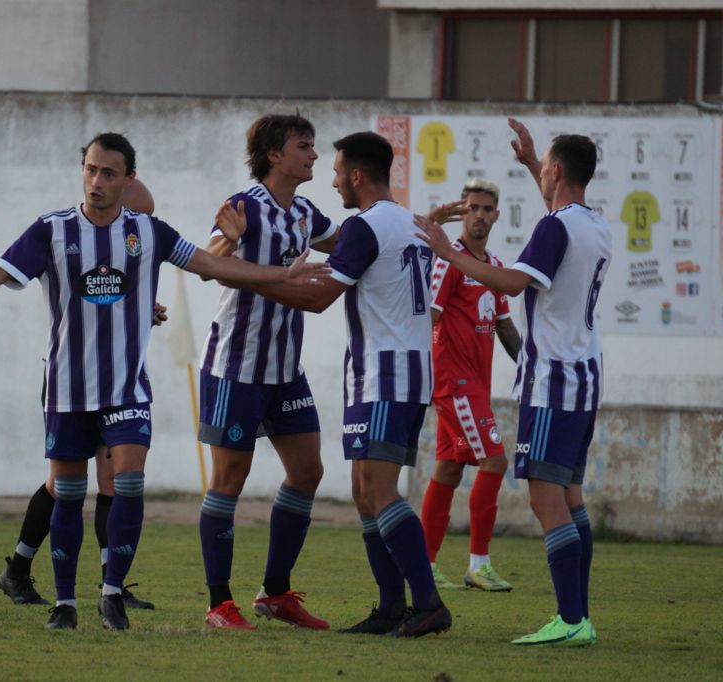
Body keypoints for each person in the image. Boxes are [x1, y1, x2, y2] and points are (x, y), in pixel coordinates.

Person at [0, 132, 328, 632]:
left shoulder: (149, 232)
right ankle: (63, 602)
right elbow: (2, 267)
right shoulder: (52, 230)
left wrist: (282, 277)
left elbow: (210, 264)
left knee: (126, 481)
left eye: (108, 173)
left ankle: (113, 593)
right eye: (90, 170)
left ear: (127, 180)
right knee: (69, 491)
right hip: (69, 387)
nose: (96, 181)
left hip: (127, 389)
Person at [231, 131, 452, 638]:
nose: (331, 181)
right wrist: (297, 273)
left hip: (385, 372)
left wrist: (246, 276)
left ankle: (428, 603)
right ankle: (391, 607)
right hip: (399, 370)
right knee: (363, 492)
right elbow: (351, 277)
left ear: (356, 175)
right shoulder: (409, 224)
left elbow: (319, 299)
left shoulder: (365, 226)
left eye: (335, 172)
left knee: (378, 490)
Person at [415, 118, 610, 647]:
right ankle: (580, 616)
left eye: (543, 165)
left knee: (546, 499)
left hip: (552, 381)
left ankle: (571, 619)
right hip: (586, 375)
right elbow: (557, 219)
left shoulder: (554, 228)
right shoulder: (593, 224)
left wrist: (449, 251)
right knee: (570, 497)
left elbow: (516, 280)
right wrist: (530, 163)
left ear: (556, 171)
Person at [195, 113, 339, 631]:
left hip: (284, 369)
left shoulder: (303, 211)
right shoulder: (245, 207)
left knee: (308, 472)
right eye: (305, 146)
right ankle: (219, 604)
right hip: (236, 365)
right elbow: (208, 261)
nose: (315, 156)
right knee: (229, 479)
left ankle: (275, 593)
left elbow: (348, 242)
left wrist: (399, 226)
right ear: (275, 155)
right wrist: (228, 240)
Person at [0, 181, 160, 612]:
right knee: (63, 486)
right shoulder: (79, 220)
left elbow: (122, 274)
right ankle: (18, 567)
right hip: (72, 376)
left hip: (116, 379)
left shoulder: (137, 213)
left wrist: (145, 306)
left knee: (112, 479)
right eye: (93, 171)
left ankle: (112, 583)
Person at [421, 179, 521, 592]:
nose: (479, 215)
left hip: (474, 383)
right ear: (463, 213)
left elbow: (504, 326)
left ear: (497, 215)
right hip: (454, 383)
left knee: (447, 468)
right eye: (472, 208)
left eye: (486, 209)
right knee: (495, 461)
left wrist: (535, 367)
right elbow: (427, 318)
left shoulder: (491, 265)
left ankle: (423, 564)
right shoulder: (450, 261)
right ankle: (478, 564)